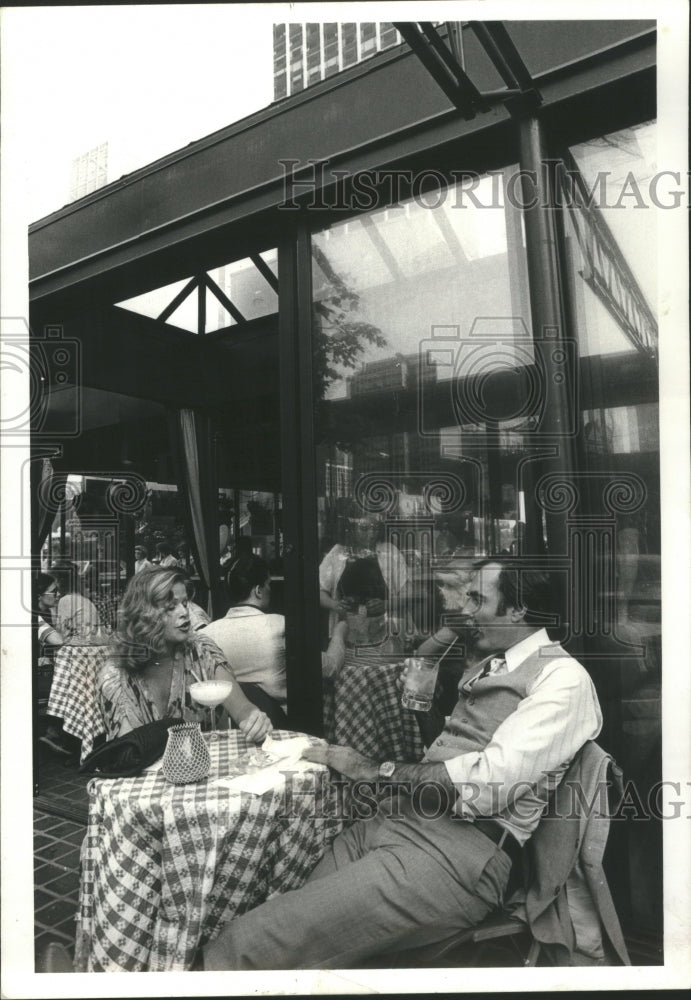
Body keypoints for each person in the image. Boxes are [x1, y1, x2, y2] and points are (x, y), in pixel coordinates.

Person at [200, 557, 603, 970]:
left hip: (457, 854)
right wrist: (424, 709)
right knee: (280, 911)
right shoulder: (494, 661)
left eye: (478, 599)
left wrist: (375, 769)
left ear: (517, 609)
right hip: (398, 822)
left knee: (247, 943)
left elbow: (486, 785)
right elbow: (448, 750)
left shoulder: (563, 679)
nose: (464, 609)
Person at [97, 567, 272, 743]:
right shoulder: (116, 676)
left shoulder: (201, 651)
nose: (184, 613)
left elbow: (243, 710)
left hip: (205, 765)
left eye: (185, 603)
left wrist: (255, 720)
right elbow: (131, 752)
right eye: (171, 607)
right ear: (144, 614)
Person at [319, 514, 409, 648]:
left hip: (385, 630)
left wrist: (387, 604)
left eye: (375, 528)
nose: (371, 534)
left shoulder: (390, 552)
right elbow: (319, 592)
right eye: (364, 528)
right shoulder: (338, 552)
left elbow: (408, 594)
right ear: (352, 529)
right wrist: (335, 605)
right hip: (347, 630)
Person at [35, 573, 70, 755]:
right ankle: (51, 730)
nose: (57, 595)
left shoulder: (46, 612)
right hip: (37, 675)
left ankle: (51, 729)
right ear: (39, 595)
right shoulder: (34, 617)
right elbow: (57, 639)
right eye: (53, 591)